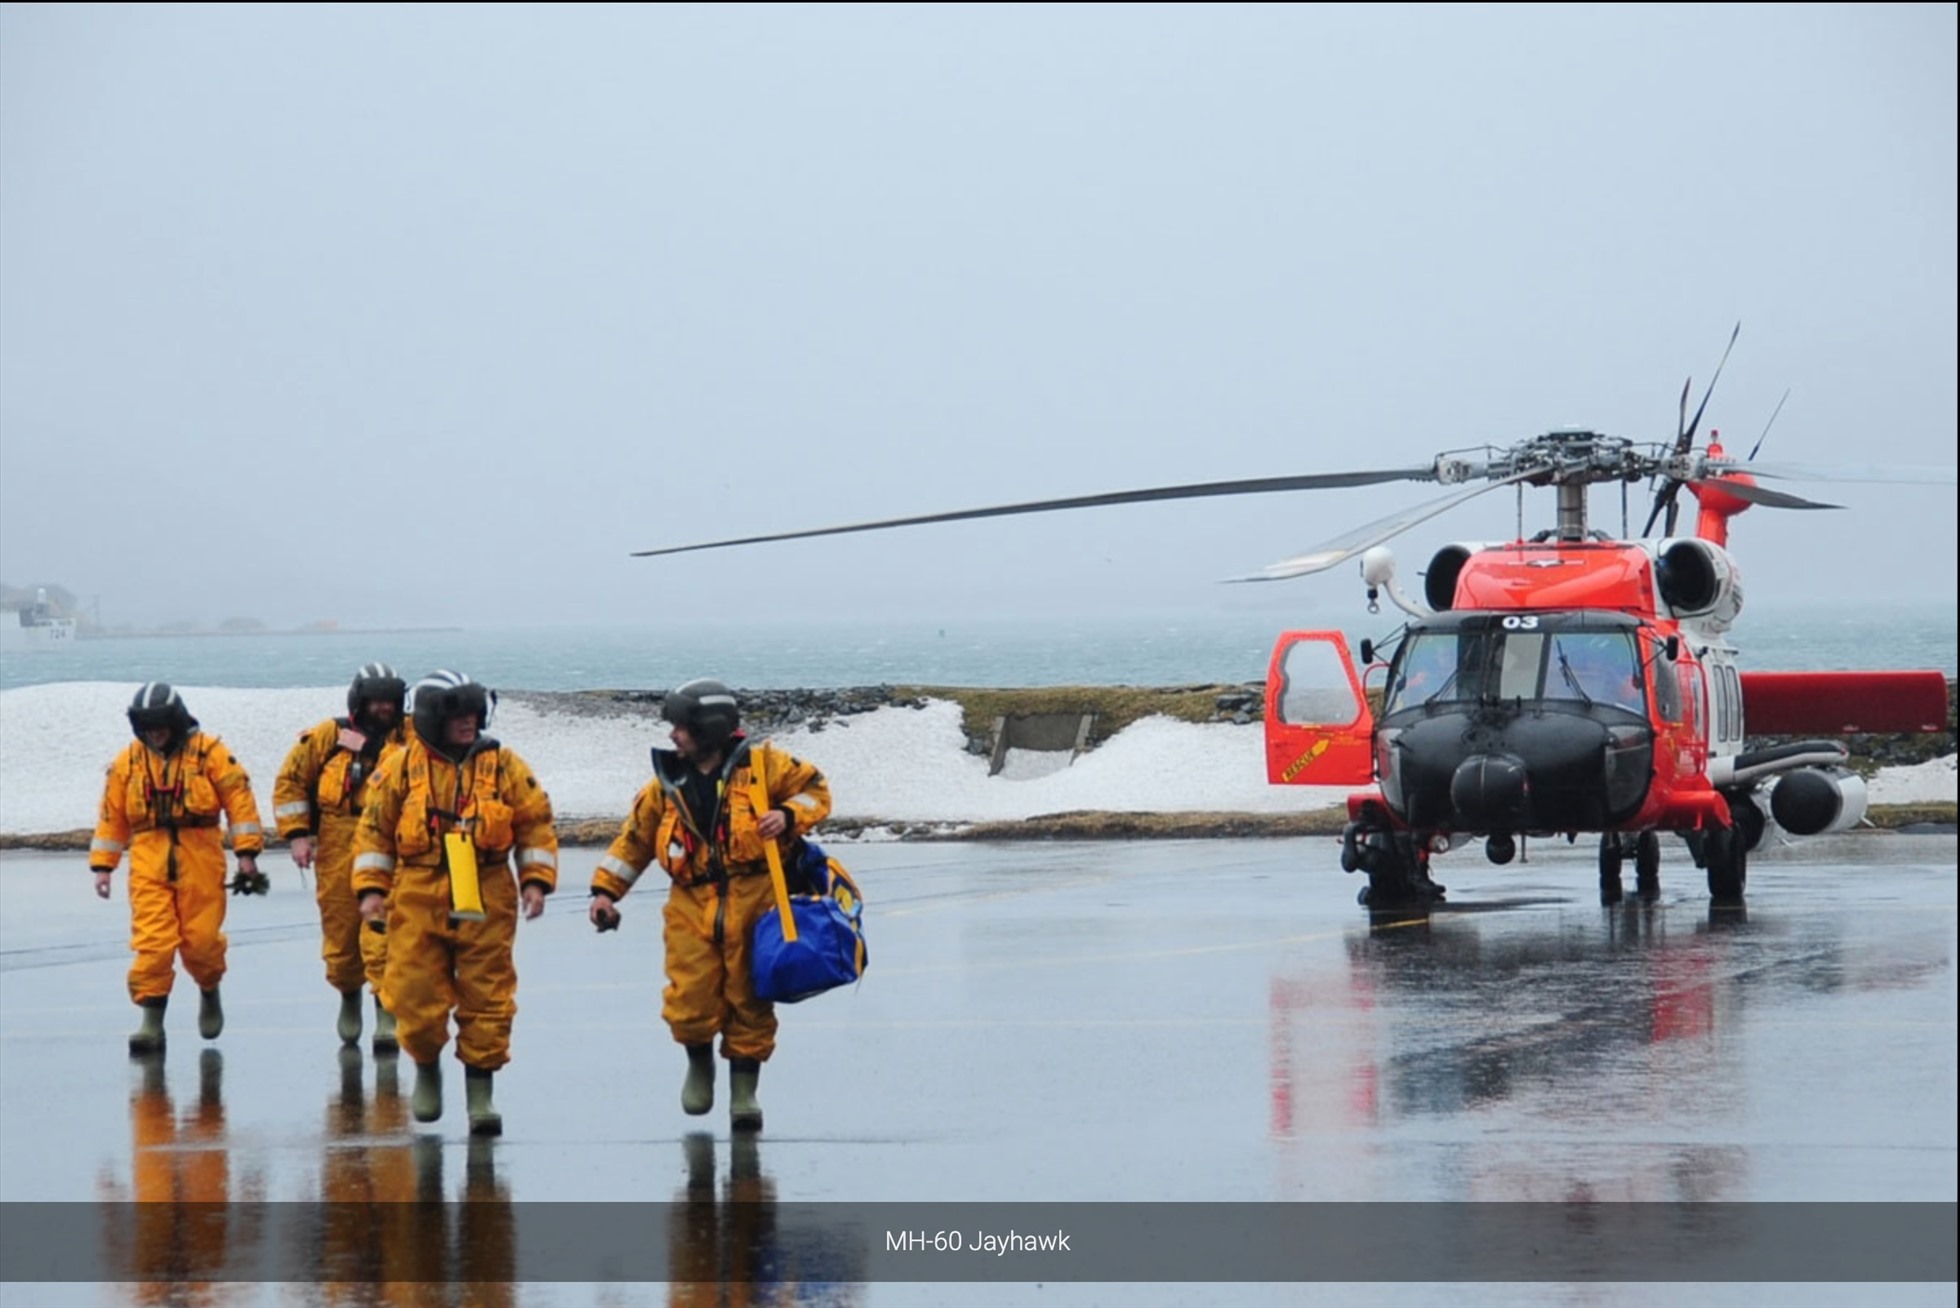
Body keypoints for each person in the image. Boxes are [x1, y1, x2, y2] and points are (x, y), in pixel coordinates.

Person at [588, 678, 832, 1132]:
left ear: (710, 728)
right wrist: (605, 892)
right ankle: (698, 1061)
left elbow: (816, 791)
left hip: (756, 899)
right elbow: (634, 841)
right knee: (689, 996)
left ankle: (744, 1090)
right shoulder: (666, 785)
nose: (673, 736)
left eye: (681, 727)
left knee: (750, 999)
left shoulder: (766, 767)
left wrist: (789, 815)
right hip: (690, 902)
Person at [352, 670, 557, 1136]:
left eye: (473, 714)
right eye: (457, 716)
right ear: (430, 719)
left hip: (487, 890)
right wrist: (371, 891)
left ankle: (480, 1093)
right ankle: (426, 1067)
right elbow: (373, 834)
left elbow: (535, 825)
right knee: (412, 994)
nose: (469, 724)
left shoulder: (505, 766)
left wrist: (535, 881)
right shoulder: (400, 769)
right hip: (416, 891)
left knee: (488, 994)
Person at [91, 683, 266, 1054]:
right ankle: (151, 1023)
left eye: (161, 724)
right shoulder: (128, 762)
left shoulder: (211, 754)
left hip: (200, 855)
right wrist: (103, 866)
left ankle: (209, 987)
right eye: (147, 726)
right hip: (148, 859)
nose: (155, 732)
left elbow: (239, 799)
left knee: (201, 942)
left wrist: (246, 852)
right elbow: (112, 817)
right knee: (152, 943)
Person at [274, 662, 408, 1051]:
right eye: (376, 701)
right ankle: (349, 994)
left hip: (388, 838)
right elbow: (291, 782)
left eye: (390, 701)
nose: (384, 708)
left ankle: (386, 1008)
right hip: (337, 839)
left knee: (385, 924)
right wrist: (299, 835)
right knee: (341, 930)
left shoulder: (412, 737)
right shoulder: (327, 737)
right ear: (360, 701)